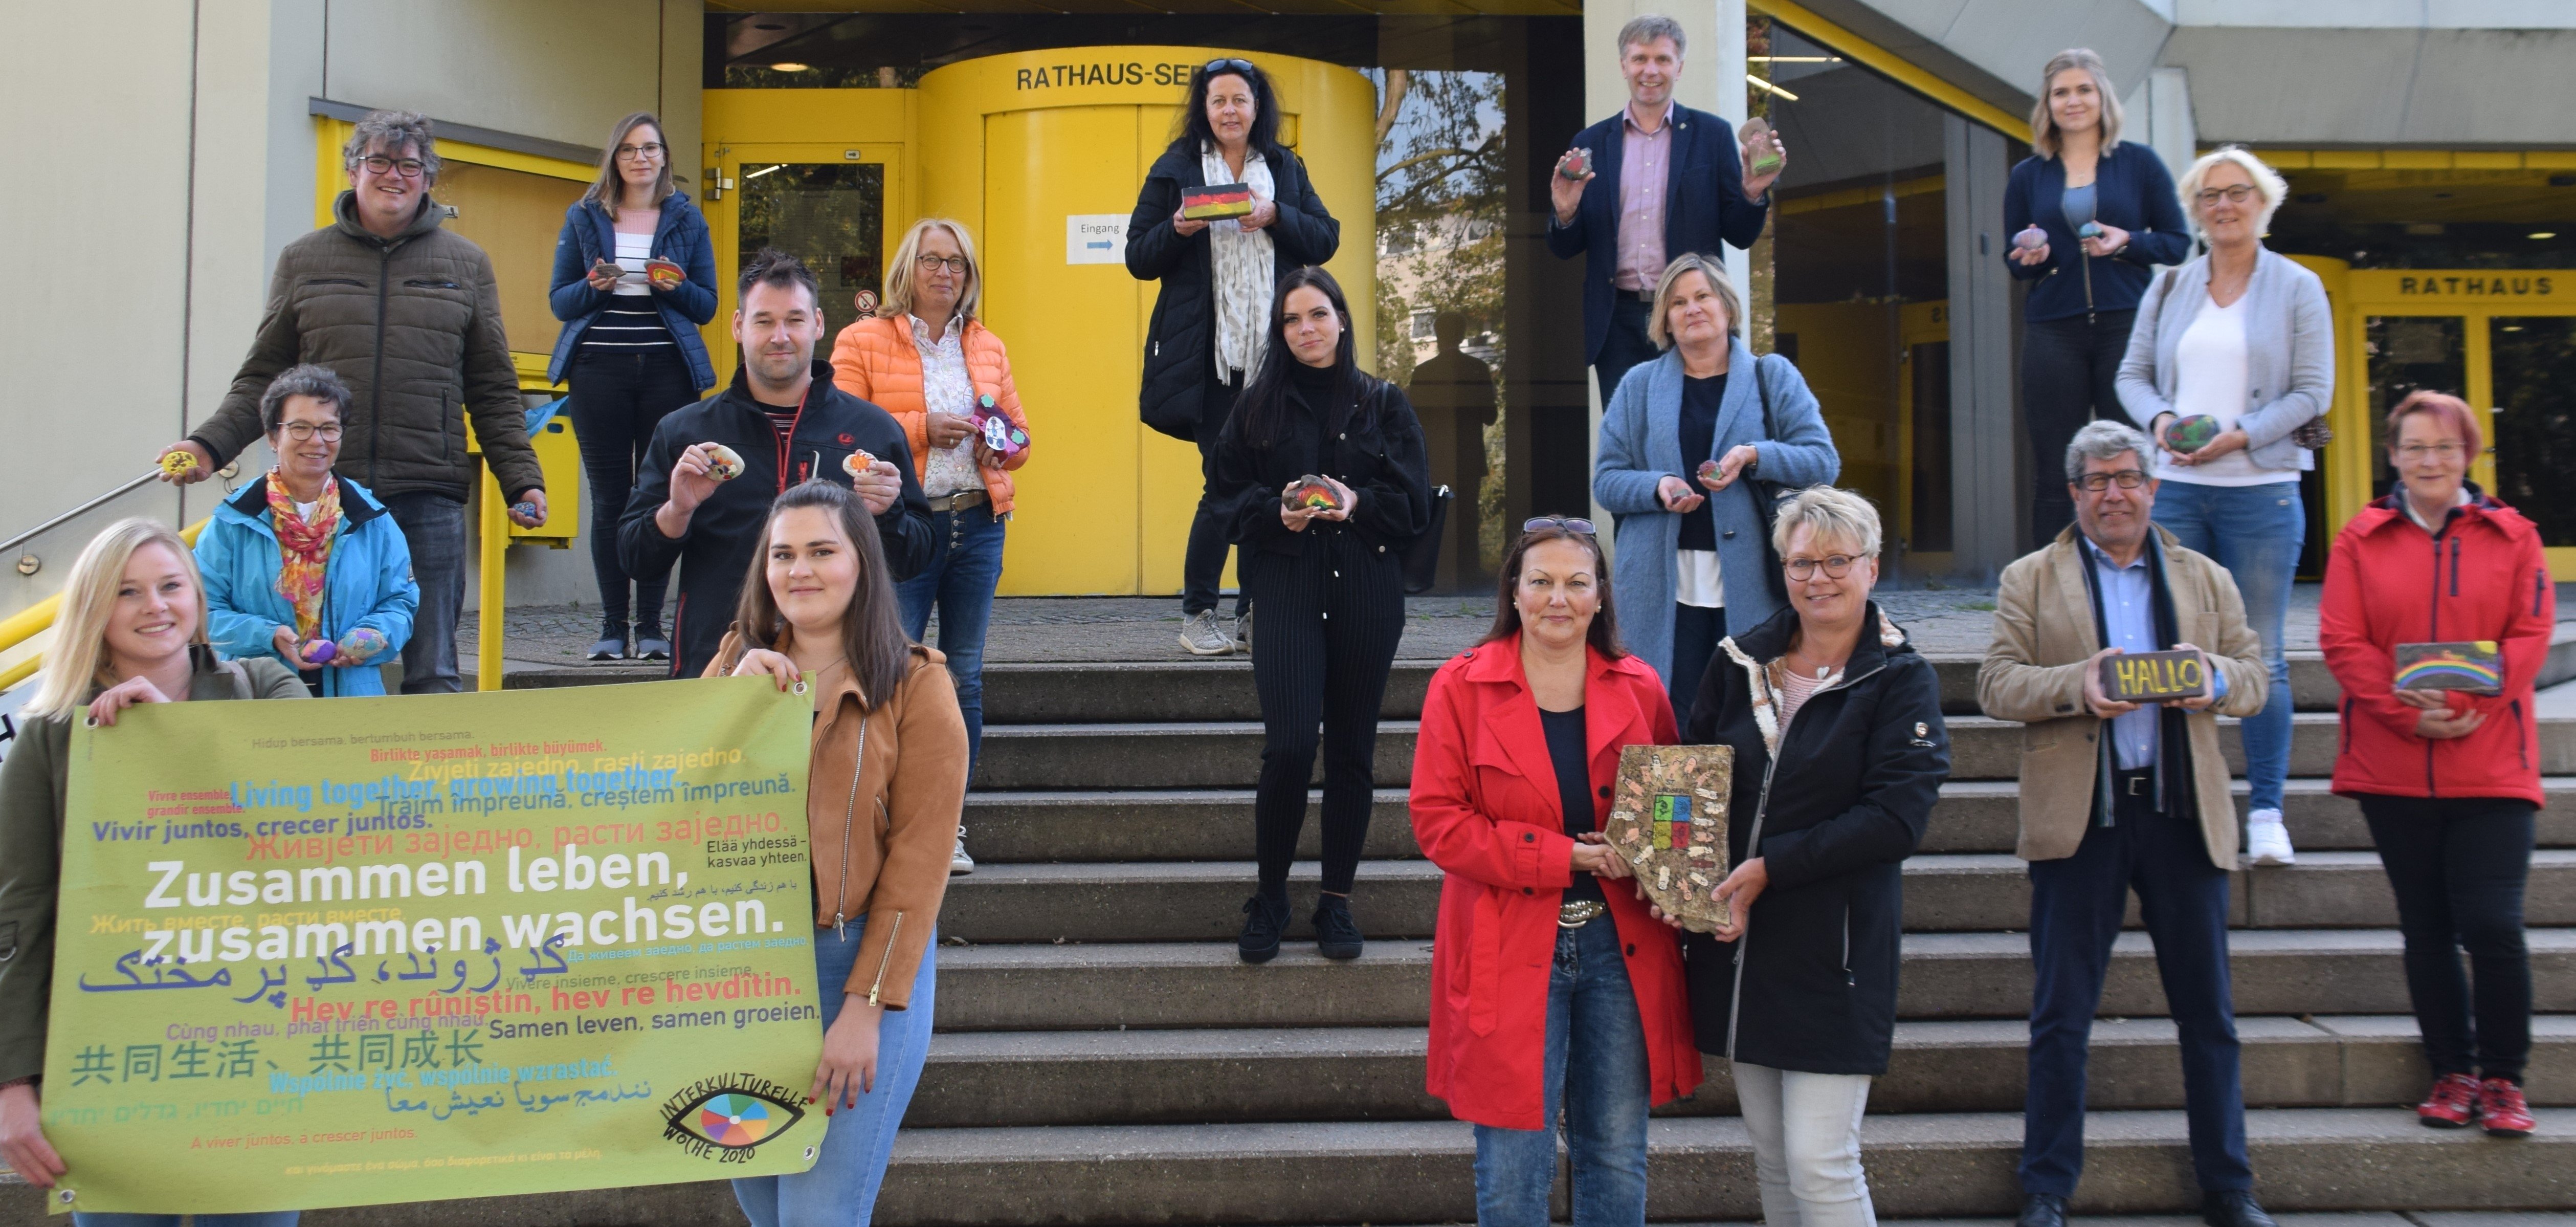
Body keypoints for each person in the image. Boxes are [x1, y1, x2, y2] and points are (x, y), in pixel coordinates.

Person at [1978, 420, 2277, 1227]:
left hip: (2184, 815)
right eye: (2097, 481)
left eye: (2127, 477)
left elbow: (2256, 676)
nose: (2114, 493)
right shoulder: (2029, 578)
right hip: (2084, 818)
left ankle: (2229, 1184)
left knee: (2208, 1014)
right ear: (2074, 494)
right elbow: (1997, 684)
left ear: (2153, 486)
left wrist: (2213, 677)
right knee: (2061, 1015)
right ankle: (2046, 1185)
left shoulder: (2205, 576)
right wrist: (2080, 683)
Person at [156, 108, 546, 695]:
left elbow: (492, 385)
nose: (395, 175)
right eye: (380, 161)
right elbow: (264, 374)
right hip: (318, 497)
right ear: (352, 170)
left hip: (426, 489)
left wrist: (521, 480)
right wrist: (207, 445)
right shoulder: (304, 259)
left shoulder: (466, 264)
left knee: (433, 665)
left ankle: (422, 787)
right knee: (303, 659)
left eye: (410, 164)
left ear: (429, 178)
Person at [0, 519, 308, 1226]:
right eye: (126, 591)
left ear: (197, 596)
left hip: (256, 1043)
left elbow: (303, 833)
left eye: (171, 586)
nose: (155, 606)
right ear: (93, 607)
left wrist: (169, 736)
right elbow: (20, 910)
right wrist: (13, 1080)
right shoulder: (49, 730)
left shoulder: (267, 685)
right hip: (112, 1055)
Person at [1410, 520, 1701, 1226]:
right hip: (1508, 943)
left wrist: (1672, 871)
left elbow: (1674, 808)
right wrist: (1562, 855)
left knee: (1616, 1152)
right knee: (1512, 1165)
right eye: (1540, 580)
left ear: (1603, 595)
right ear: (1514, 590)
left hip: (1620, 946)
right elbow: (1439, 822)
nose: (1558, 598)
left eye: (1577, 581)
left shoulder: (1641, 688)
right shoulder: (1460, 686)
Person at [1677, 486, 1947, 1227]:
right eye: (1802, 562)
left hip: (1839, 951)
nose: (1818, 578)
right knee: (1773, 1161)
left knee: (1822, 1164)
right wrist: (1692, 886)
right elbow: (1695, 786)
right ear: (1781, 568)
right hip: (1744, 949)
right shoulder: (1737, 662)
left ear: (1872, 566)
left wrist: (1772, 867)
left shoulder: (1902, 678)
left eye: (1837, 560)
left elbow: (1896, 818)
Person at [710, 481, 968, 1227]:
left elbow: (919, 871)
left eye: (823, 550)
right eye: (783, 553)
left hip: (856, 970)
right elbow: (672, 797)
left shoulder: (919, 685)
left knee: (820, 1218)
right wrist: (729, 695)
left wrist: (866, 1007)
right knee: (769, 1214)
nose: (800, 570)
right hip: (746, 978)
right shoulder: (737, 661)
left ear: (863, 564)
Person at [2319, 391, 2549, 1138]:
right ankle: (2450, 1072)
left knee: (2493, 923)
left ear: (2469, 456)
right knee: (2426, 927)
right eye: (2415, 447)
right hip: (2393, 764)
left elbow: (2532, 631)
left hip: (2492, 765)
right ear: (2393, 455)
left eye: (2445, 448)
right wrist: (2403, 709)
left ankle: (2504, 1077)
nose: (2430, 461)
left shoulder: (2515, 536)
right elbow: (2343, 641)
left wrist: (2476, 704)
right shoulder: (2361, 537)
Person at [2117, 145, 2331, 868]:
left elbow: (2313, 392)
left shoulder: (2298, 286)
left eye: (2238, 193)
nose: (2224, 205)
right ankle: (2187, 797)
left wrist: (2241, 434)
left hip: (2263, 491)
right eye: (2209, 196)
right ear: (2196, 210)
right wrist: (2160, 425)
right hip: (2177, 489)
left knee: (2261, 656)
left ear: (2263, 203)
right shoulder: (2171, 284)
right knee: (2175, 648)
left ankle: (2267, 808)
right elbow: (2133, 374)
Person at [1213, 267, 1430, 962]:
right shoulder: (1255, 408)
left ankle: (1336, 900)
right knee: (1288, 746)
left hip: (1367, 592)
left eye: (1318, 313)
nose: (1306, 328)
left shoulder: (1383, 403)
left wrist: (1357, 501)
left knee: (1352, 753)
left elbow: (1415, 510)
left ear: (1341, 318)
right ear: (1280, 332)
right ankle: (1271, 894)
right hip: (1285, 589)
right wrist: (1276, 513)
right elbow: (1222, 500)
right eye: (1292, 320)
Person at [619, 249, 932, 683]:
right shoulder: (685, 432)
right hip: (715, 661)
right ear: (738, 327)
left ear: (818, 324)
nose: (780, 336)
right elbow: (634, 558)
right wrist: (677, 512)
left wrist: (889, 513)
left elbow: (916, 556)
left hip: (840, 670)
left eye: (795, 320)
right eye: (764, 321)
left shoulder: (872, 430)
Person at [832, 217, 1030, 877]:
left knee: (964, 678)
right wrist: (921, 428)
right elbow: (839, 434)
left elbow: (1021, 437)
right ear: (907, 269)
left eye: (958, 264)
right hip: (901, 528)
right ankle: (878, 815)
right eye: (932, 261)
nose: (945, 274)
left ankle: (948, 822)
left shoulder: (988, 346)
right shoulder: (861, 339)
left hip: (978, 524)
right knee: (887, 672)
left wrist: (999, 444)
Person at [1125, 57, 1341, 657]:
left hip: (1275, 360)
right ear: (1204, 109)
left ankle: (1252, 613)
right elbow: (1138, 257)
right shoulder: (1174, 170)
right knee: (1224, 485)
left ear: (1255, 109)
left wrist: (1275, 216)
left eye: (1239, 101)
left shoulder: (1283, 167)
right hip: (1209, 363)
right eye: (1218, 101)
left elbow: (1325, 237)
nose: (1228, 111)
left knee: (1272, 484)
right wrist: (1179, 226)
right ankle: (1198, 613)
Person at [1593, 253, 1838, 727]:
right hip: (1662, 584)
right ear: (1664, 318)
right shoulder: (1638, 386)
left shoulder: (1773, 375)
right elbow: (1606, 482)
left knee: (1748, 717)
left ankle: (1744, 805)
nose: (1692, 309)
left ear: (1726, 306)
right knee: (1674, 717)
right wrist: (1657, 485)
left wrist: (1754, 455)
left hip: (1752, 580)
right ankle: (1680, 806)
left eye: (1703, 296)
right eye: (1678, 302)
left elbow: (1822, 461)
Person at [547, 110, 719, 663]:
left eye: (649, 149)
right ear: (613, 159)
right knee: (610, 500)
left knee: (662, 497)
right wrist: (595, 286)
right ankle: (609, 627)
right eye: (628, 149)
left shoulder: (688, 219)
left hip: (668, 372)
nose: (640, 158)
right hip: (598, 369)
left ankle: (649, 627)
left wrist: (675, 286)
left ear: (665, 158)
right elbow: (560, 301)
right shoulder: (583, 215)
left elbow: (708, 306)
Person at [2004, 48, 2192, 547]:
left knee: (2127, 459)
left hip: (2126, 325)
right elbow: (2012, 259)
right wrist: (2033, 253)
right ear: (2047, 104)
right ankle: (2048, 583)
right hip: (2052, 328)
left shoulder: (2139, 164)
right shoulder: (2027, 174)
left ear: (2101, 97)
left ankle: (2136, 569)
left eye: (2083, 90)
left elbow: (2176, 242)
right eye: (2061, 92)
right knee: (2053, 464)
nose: (2073, 101)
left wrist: (2126, 240)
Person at [1548, 14, 1783, 406]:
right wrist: (1566, 212)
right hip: (1616, 321)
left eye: (1662, 59)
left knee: (1694, 437)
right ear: (1624, 65)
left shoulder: (1712, 135)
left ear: (1680, 66)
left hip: (1689, 315)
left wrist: (1752, 193)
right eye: (1640, 59)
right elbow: (1565, 248)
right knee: (1628, 445)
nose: (1651, 70)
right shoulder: (1591, 143)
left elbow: (1740, 235)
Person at [194, 365, 418, 696]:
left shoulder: (372, 519)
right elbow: (201, 611)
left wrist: (373, 635)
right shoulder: (233, 522)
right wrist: (267, 635)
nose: (317, 441)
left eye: (330, 428)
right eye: (300, 428)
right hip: (258, 697)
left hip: (351, 702)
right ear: (273, 436)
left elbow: (400, 601)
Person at [1404, 311, 1496, 591]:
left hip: (1435, 456)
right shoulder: (1477, 369)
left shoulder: (1424, 372)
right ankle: (1469, 573)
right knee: (1468, 514)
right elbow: (1490, 416)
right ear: (1462, 334)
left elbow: (1414, 420)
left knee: (1438, 513)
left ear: (1438, 333)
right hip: (1468, 456)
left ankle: (1438, 572)